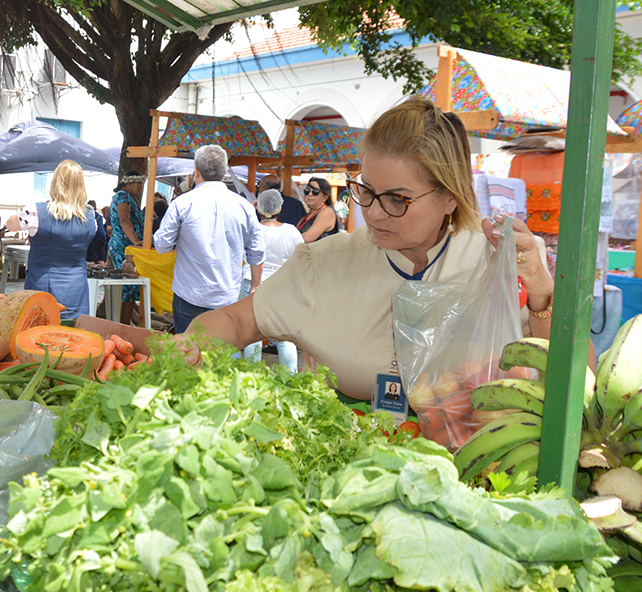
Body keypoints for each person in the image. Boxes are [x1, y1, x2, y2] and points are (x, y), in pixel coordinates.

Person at [189, 97, 556, 402]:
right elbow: (236, 321)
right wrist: (192, 343)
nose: (374, 213)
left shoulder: (498, 261)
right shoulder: (324, 265)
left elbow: (573, 375)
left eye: (398, 199)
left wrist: (542, 295)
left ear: (449, 196)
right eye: (365, 190)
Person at [154, 145, 265, 334]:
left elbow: (162, 246)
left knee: (187, 354)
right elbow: (257, 252)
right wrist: (255, 284)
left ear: (196, 172)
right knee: (219, 356)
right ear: (225, 171)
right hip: (226, 295)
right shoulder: (244, 206)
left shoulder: (182, 203)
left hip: (189, 293)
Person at [8, 160, 98, 318]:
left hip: (42, 286)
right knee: (74, 336)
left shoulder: (35, 212)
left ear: (56, 183)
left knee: (39, 334)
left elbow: (10, 224)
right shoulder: (91, 216)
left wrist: (34, 231)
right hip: (77, 290)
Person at [241, 188, 303, 369]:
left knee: (251, 333)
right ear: (280, 207)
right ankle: (290, 377)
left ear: (258, 207)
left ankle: (251, 375)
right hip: (280, 286)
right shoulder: (291, 231)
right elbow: (301, 258)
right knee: (284, 336)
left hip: (252, 283)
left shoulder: (253, 230)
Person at [108, 175, 147, 324]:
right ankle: (122, 325)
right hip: (122, 247)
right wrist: (136, 241)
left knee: (130, 286)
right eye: (138, 183)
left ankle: (125, 323)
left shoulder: (129, 198)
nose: (141, 186)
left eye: (142, 183)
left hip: (129, 247)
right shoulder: (122, 196)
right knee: (128, 286)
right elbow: (124, 220)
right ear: (128, 183)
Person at [296, 176, 341, 242]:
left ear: (325, 196)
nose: (310, 194)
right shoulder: (310, 214)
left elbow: (307, 238)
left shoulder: (327, 212)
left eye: (315, 191)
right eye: (307, 191)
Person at [87, 199, 109, 266]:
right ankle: (102, 270)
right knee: (101, 258)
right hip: (102, 238)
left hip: (94, 237)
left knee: (90, 259)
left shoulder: (88, 215)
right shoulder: (99, 216)